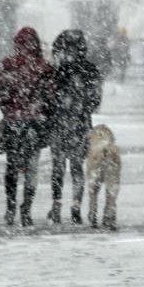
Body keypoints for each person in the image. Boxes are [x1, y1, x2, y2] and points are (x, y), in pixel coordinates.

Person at [0, 27, 53, 227]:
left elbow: (0, 91)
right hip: (35, 125)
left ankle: (10, 207)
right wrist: (42, 113)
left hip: (13, 124)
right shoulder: (43, 68)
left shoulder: (9, 66)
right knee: (32, 168)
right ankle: (26, 209)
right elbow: (51, 97)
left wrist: (9, 111)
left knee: (12, 166)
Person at [46, 29, 102, 225]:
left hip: (59, 126)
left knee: (58, 168)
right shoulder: (90, 70)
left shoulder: (56, 73)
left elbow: (48, 100)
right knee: (77, 168)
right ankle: (76, 206)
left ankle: (56, 206)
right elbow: (95, 100)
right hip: (80, 126)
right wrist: (82, 107)